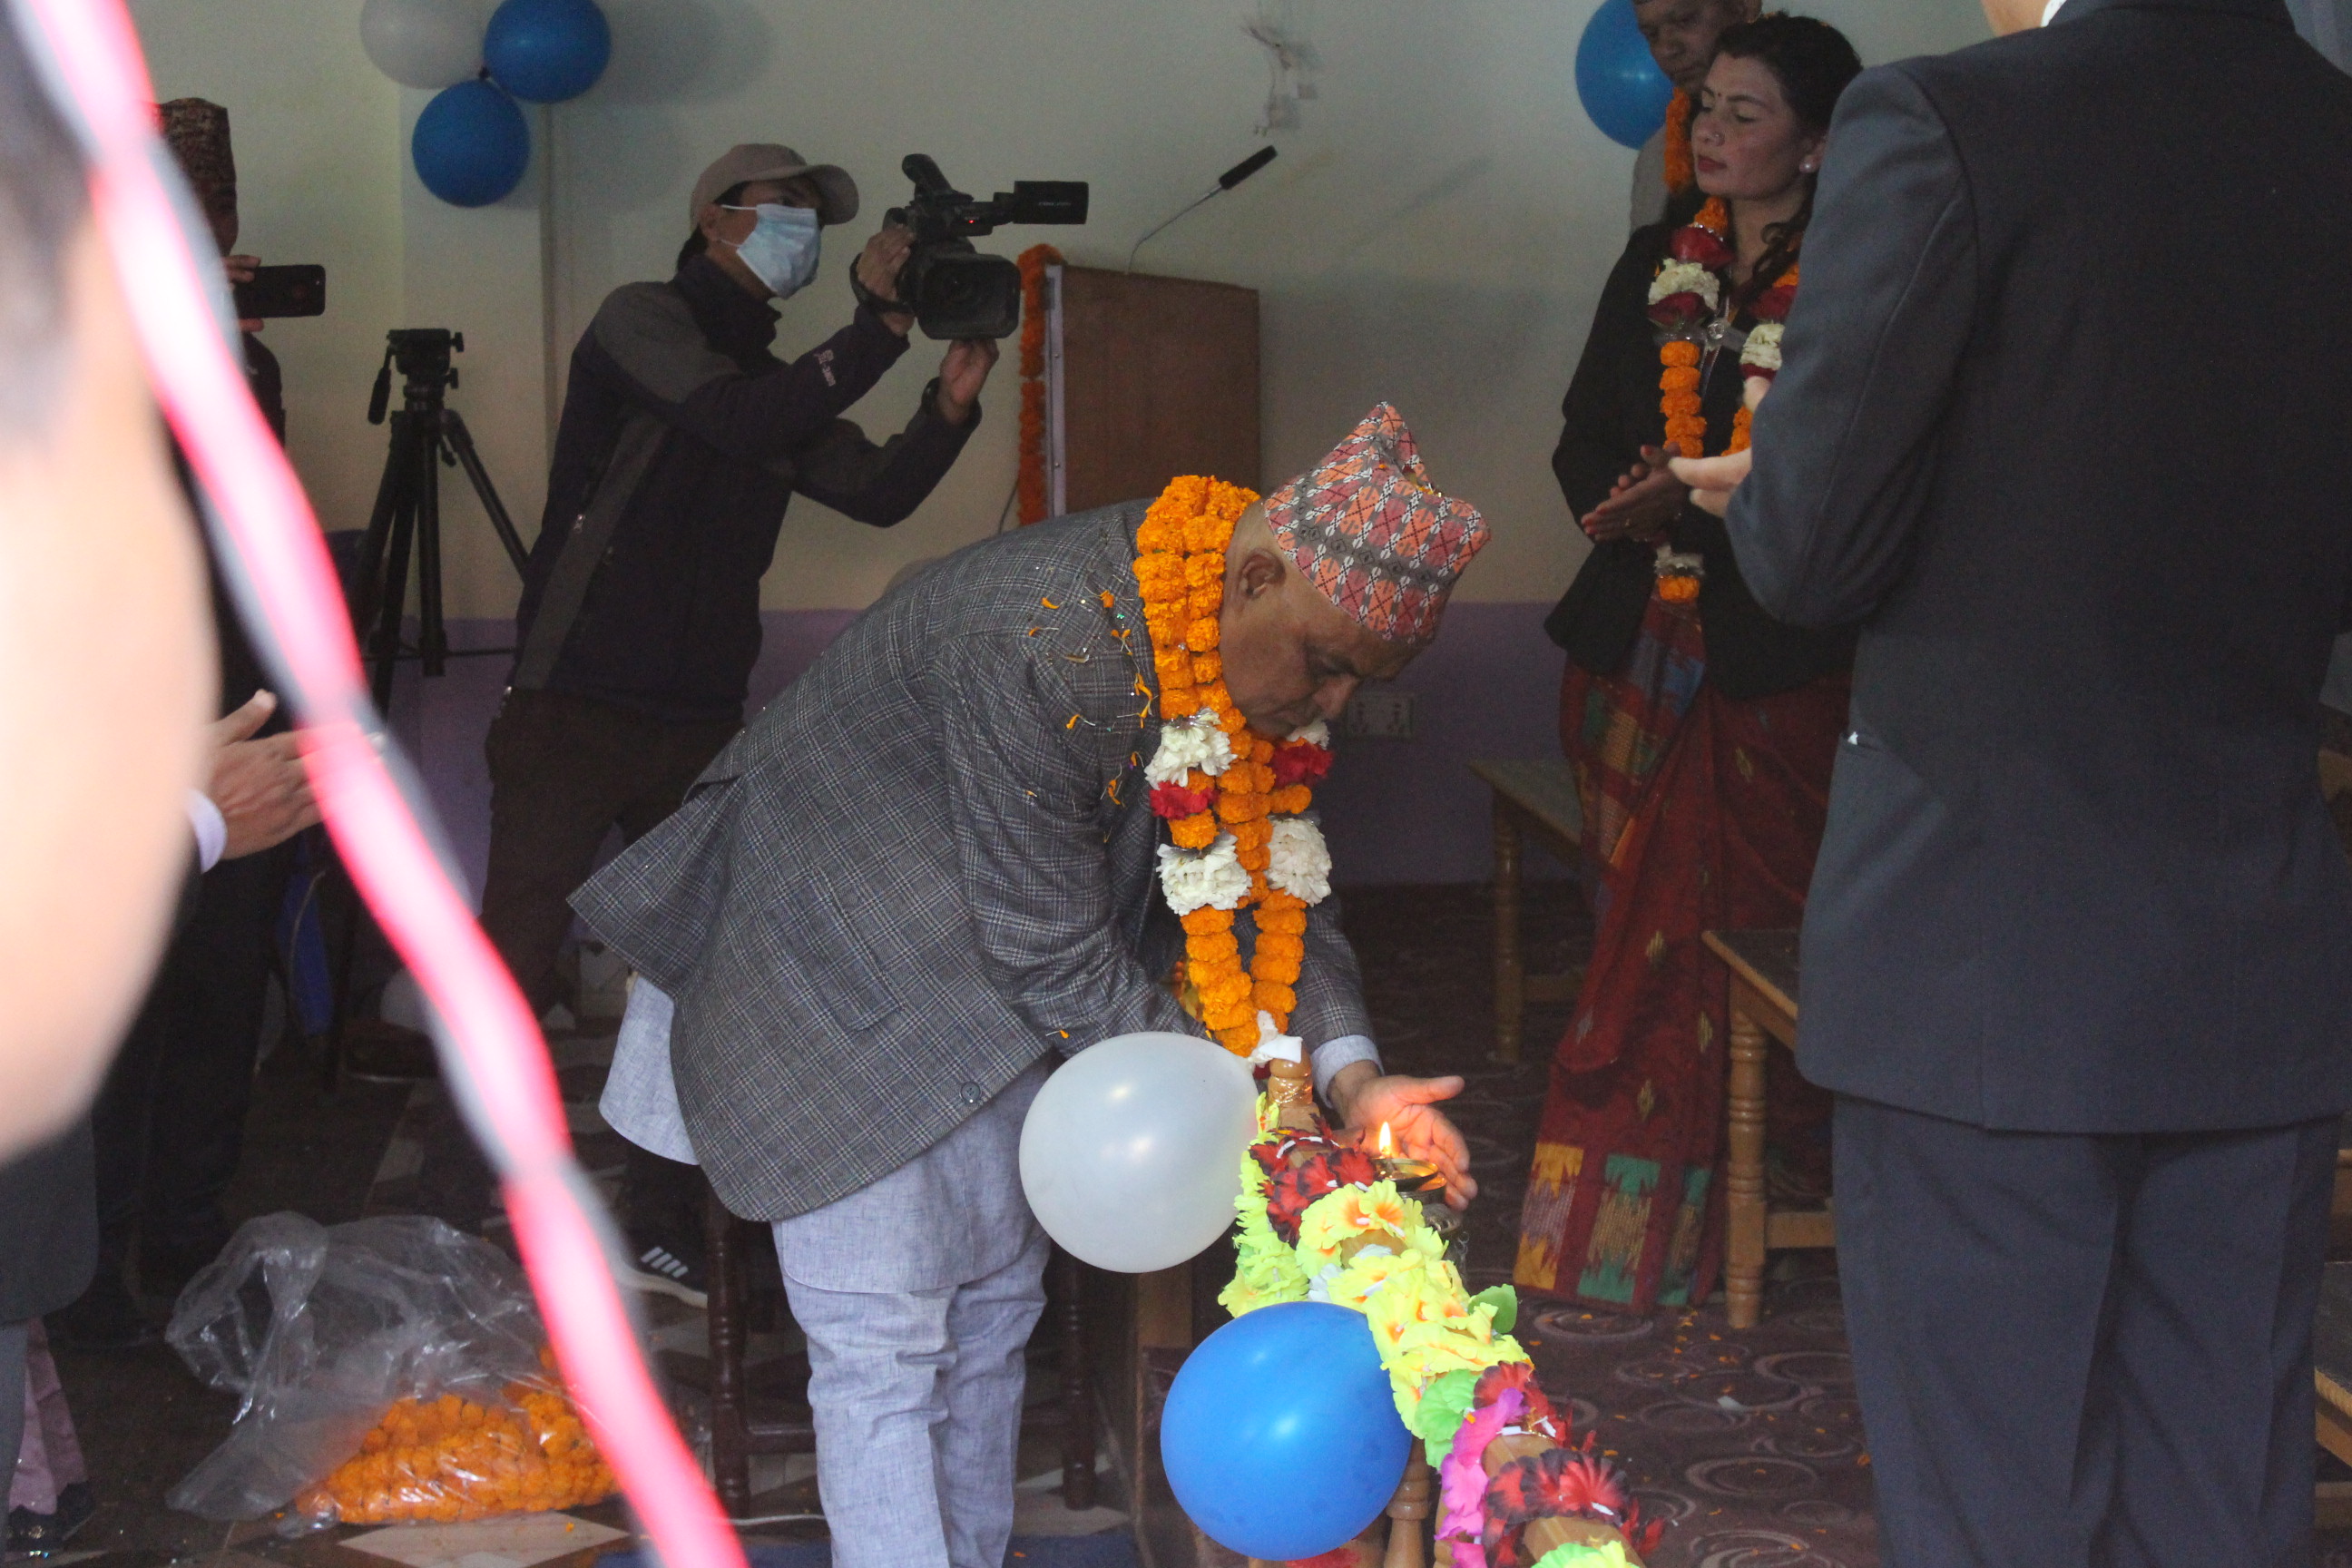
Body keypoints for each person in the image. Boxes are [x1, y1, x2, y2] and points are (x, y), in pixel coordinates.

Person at [574, 405, 1486, 1568]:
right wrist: (1272, 1123)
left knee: (993, 1319)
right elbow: (1051, 951)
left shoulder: (1252, 647)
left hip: (1004, 991)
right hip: (829, 973)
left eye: (1366, 679)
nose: (1338, 706)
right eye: (1330, 666)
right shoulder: (1053, 635)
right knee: (884, 1350)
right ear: (1256, 577)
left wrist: (1352, 1082)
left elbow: (1283, 887)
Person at [1674, 0, 2352, 1557]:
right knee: (2219, 1503)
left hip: (1989, 953)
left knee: (1997, 1509)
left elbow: (1813, 553)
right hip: (2254, 946)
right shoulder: (2331, 135)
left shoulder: (1955, 122)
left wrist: (1771, 480)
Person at [478, 142, 999, 1298]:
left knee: (707, 982)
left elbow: (874, 492)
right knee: (513, 960)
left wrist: (948, 405)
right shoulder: (644, 321)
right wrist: (875, 325)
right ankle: (471, 1208)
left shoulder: (775, 378)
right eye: (784, 208)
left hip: (700, 717)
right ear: (715, 218)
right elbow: (732, 415)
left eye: (816, 214)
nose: (801, 229)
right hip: (574, 703)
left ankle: (665, 1216)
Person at [1515, 15, 1859, 1315]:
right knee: (1636, 939)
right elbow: (1581, 430)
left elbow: (1846, 472)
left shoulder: (1860, 277)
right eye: (1705, 107)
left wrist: (1708, 498)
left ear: (1817, 145)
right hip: (1632, 642)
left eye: (1744, 113)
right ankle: (1636, 1226)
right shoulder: (1655, 259)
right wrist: (1624, 499)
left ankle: (1787, 1192)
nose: (1711, 131)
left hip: (1774, 656)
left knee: (1764, 942)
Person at [51, 100, 321, 1351]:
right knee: (120, 1017)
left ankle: (186, 1229)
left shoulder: (242, 367)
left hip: (243, 721)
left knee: (220, 999)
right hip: (113, 749)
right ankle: (84, 1272)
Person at [1627, 0, 1759, 231]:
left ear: (1743, 6)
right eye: (1652, 35)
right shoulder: (1655, 157)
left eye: (1685, 20)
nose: (1667, 50)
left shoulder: (1816, 132)